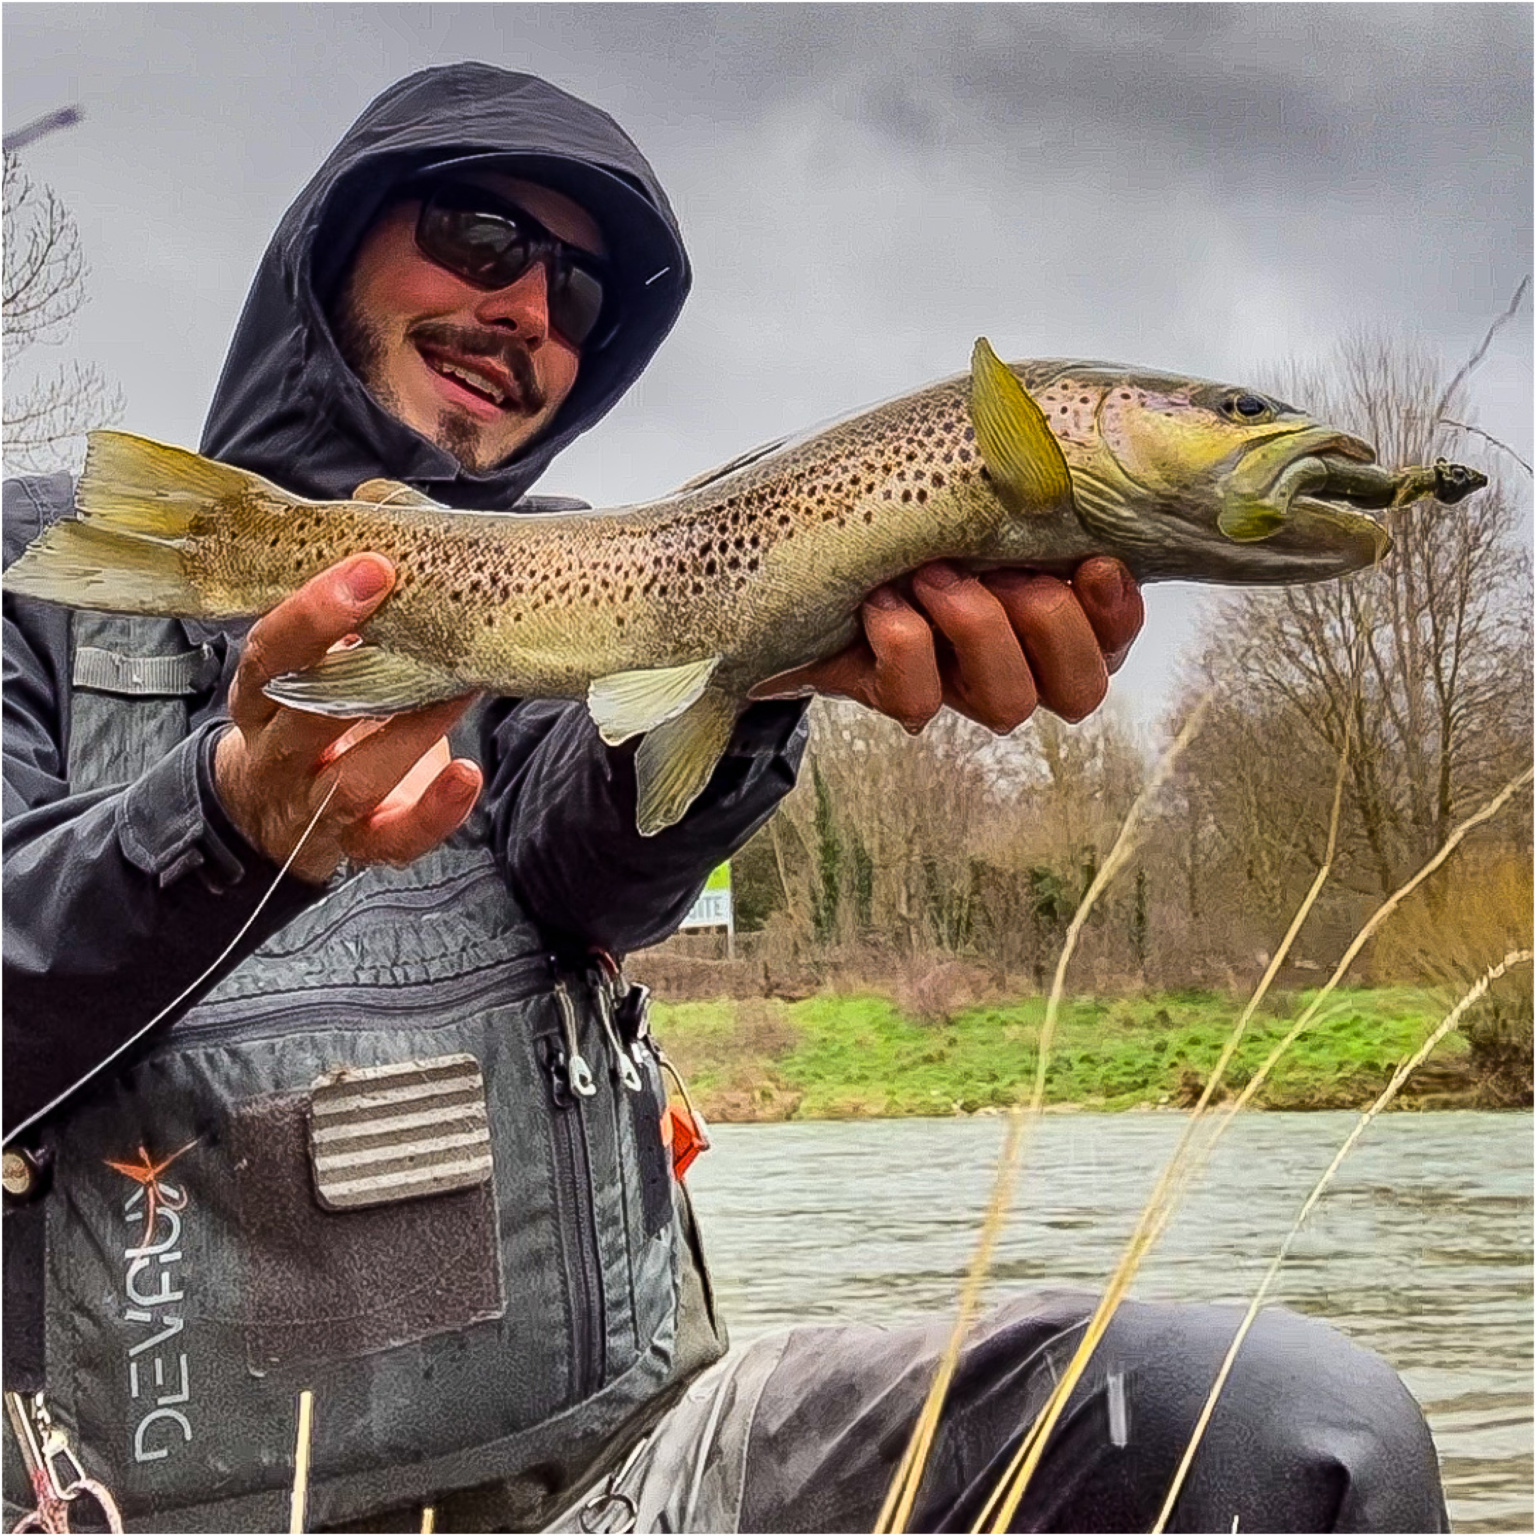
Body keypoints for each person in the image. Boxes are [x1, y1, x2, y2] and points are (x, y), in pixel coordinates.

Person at [1, 64, 1446, 1534]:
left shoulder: (569, 592)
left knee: (1299, 1437)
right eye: (487, 241)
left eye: (581, 298)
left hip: (634, 1485)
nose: (532, 314)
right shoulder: (33, 571)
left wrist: (757, 677)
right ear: (332, 248)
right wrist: (228, 826)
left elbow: (592, 865)